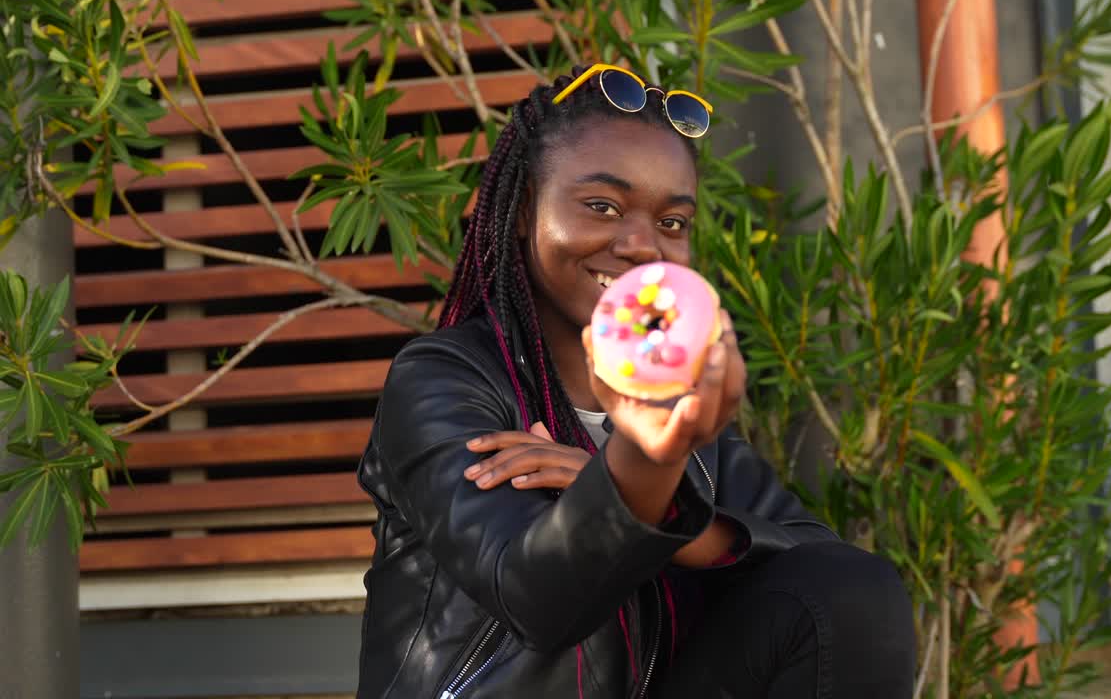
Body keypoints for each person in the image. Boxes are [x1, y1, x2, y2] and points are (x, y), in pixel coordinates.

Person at [356, 64, 915, 699]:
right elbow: (535, 598)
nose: (642, 246)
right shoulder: (444, 381)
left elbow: (823, 577)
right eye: (602, 206)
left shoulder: (684, 424)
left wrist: (656, 497)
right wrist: (637, 474)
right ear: (520, 211)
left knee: (852, 588)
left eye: (672, 223)